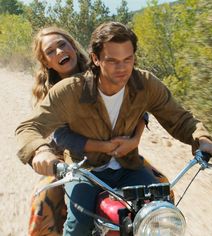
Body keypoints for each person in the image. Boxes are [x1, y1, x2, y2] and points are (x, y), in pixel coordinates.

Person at [16, 22, 212, 236]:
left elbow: (180, 118)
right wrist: (41, 151)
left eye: (128, 59)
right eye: (112, 60)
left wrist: (202, 139)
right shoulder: (69, 90)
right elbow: (29, 126)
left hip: (129, 165)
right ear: (95, 59)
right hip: (84, 169)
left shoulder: (145, 84)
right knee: (78, 223)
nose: (122, 68)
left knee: (163, 211)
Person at [27, 26, 150, 235]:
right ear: (45, 61)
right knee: (70, 219)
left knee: (162, 199)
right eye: (50, 52)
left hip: (123, 152)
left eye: (62, 45)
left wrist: (135, 140)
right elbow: (62, 136)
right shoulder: (52, 93)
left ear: (73, 47)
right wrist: (103, 146)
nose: (59, 52)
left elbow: (140, 106)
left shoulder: (104, 69)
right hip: (77, 162)